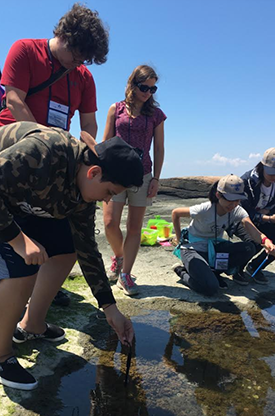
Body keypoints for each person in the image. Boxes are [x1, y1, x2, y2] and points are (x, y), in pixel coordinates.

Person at [0, 121, 144, 390]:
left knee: (68, 249)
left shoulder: (82, 193)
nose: (105, 201)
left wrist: (110, 309)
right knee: (23, 264)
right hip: (5, 200)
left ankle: (32, 324)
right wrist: (19, 241)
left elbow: (87, 249)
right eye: (109, 193)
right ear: (94, 172)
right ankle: (1, 354)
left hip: (26, 203)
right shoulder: (43, 151)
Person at [0, 3, 109, 306]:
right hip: (16, 150)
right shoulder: (24, 50)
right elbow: (13, 100)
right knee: (16, 233)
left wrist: (91, 158)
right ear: (64, 35)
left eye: (84, 59)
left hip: (57, 161)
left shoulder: (83, 77)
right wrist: (46, 142)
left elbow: (88, 124)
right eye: (76, 55)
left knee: (65, 241)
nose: (78, 63)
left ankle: (37, 299)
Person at [102, 65, 166, 296]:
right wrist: (101, 172)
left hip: (143, 174)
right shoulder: (115, 108)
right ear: (133, 84)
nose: (148, 92)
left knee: (134, 228)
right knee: (109, 223)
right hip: (115, 174)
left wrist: (156, 178)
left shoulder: (156, 115)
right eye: (144, 87)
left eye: (152, 88)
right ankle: (119, 256)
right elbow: (105, 142)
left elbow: (159, 148)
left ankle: (125, 274)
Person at [171, 174, 275, 295]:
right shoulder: (204, 209)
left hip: (214, 247)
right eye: (229, 200)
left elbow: (252, 230)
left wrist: (265, 241)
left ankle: (213, 272)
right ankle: (182, 271)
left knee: (249, 248)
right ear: (218, 195)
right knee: (211, 288)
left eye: (237, 200)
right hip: (193, 249)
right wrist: (179, 239)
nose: (233, 205)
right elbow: (176, 213)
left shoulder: (237, 210)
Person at [234, 147, 275, 285]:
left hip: (264, 220)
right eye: (272, 173)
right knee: (257, 242)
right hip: (242, 220)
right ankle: (237, 268)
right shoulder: (247, 181)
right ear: (262, 166)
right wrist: (265, 217)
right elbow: (243, 210)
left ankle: (255, 266)